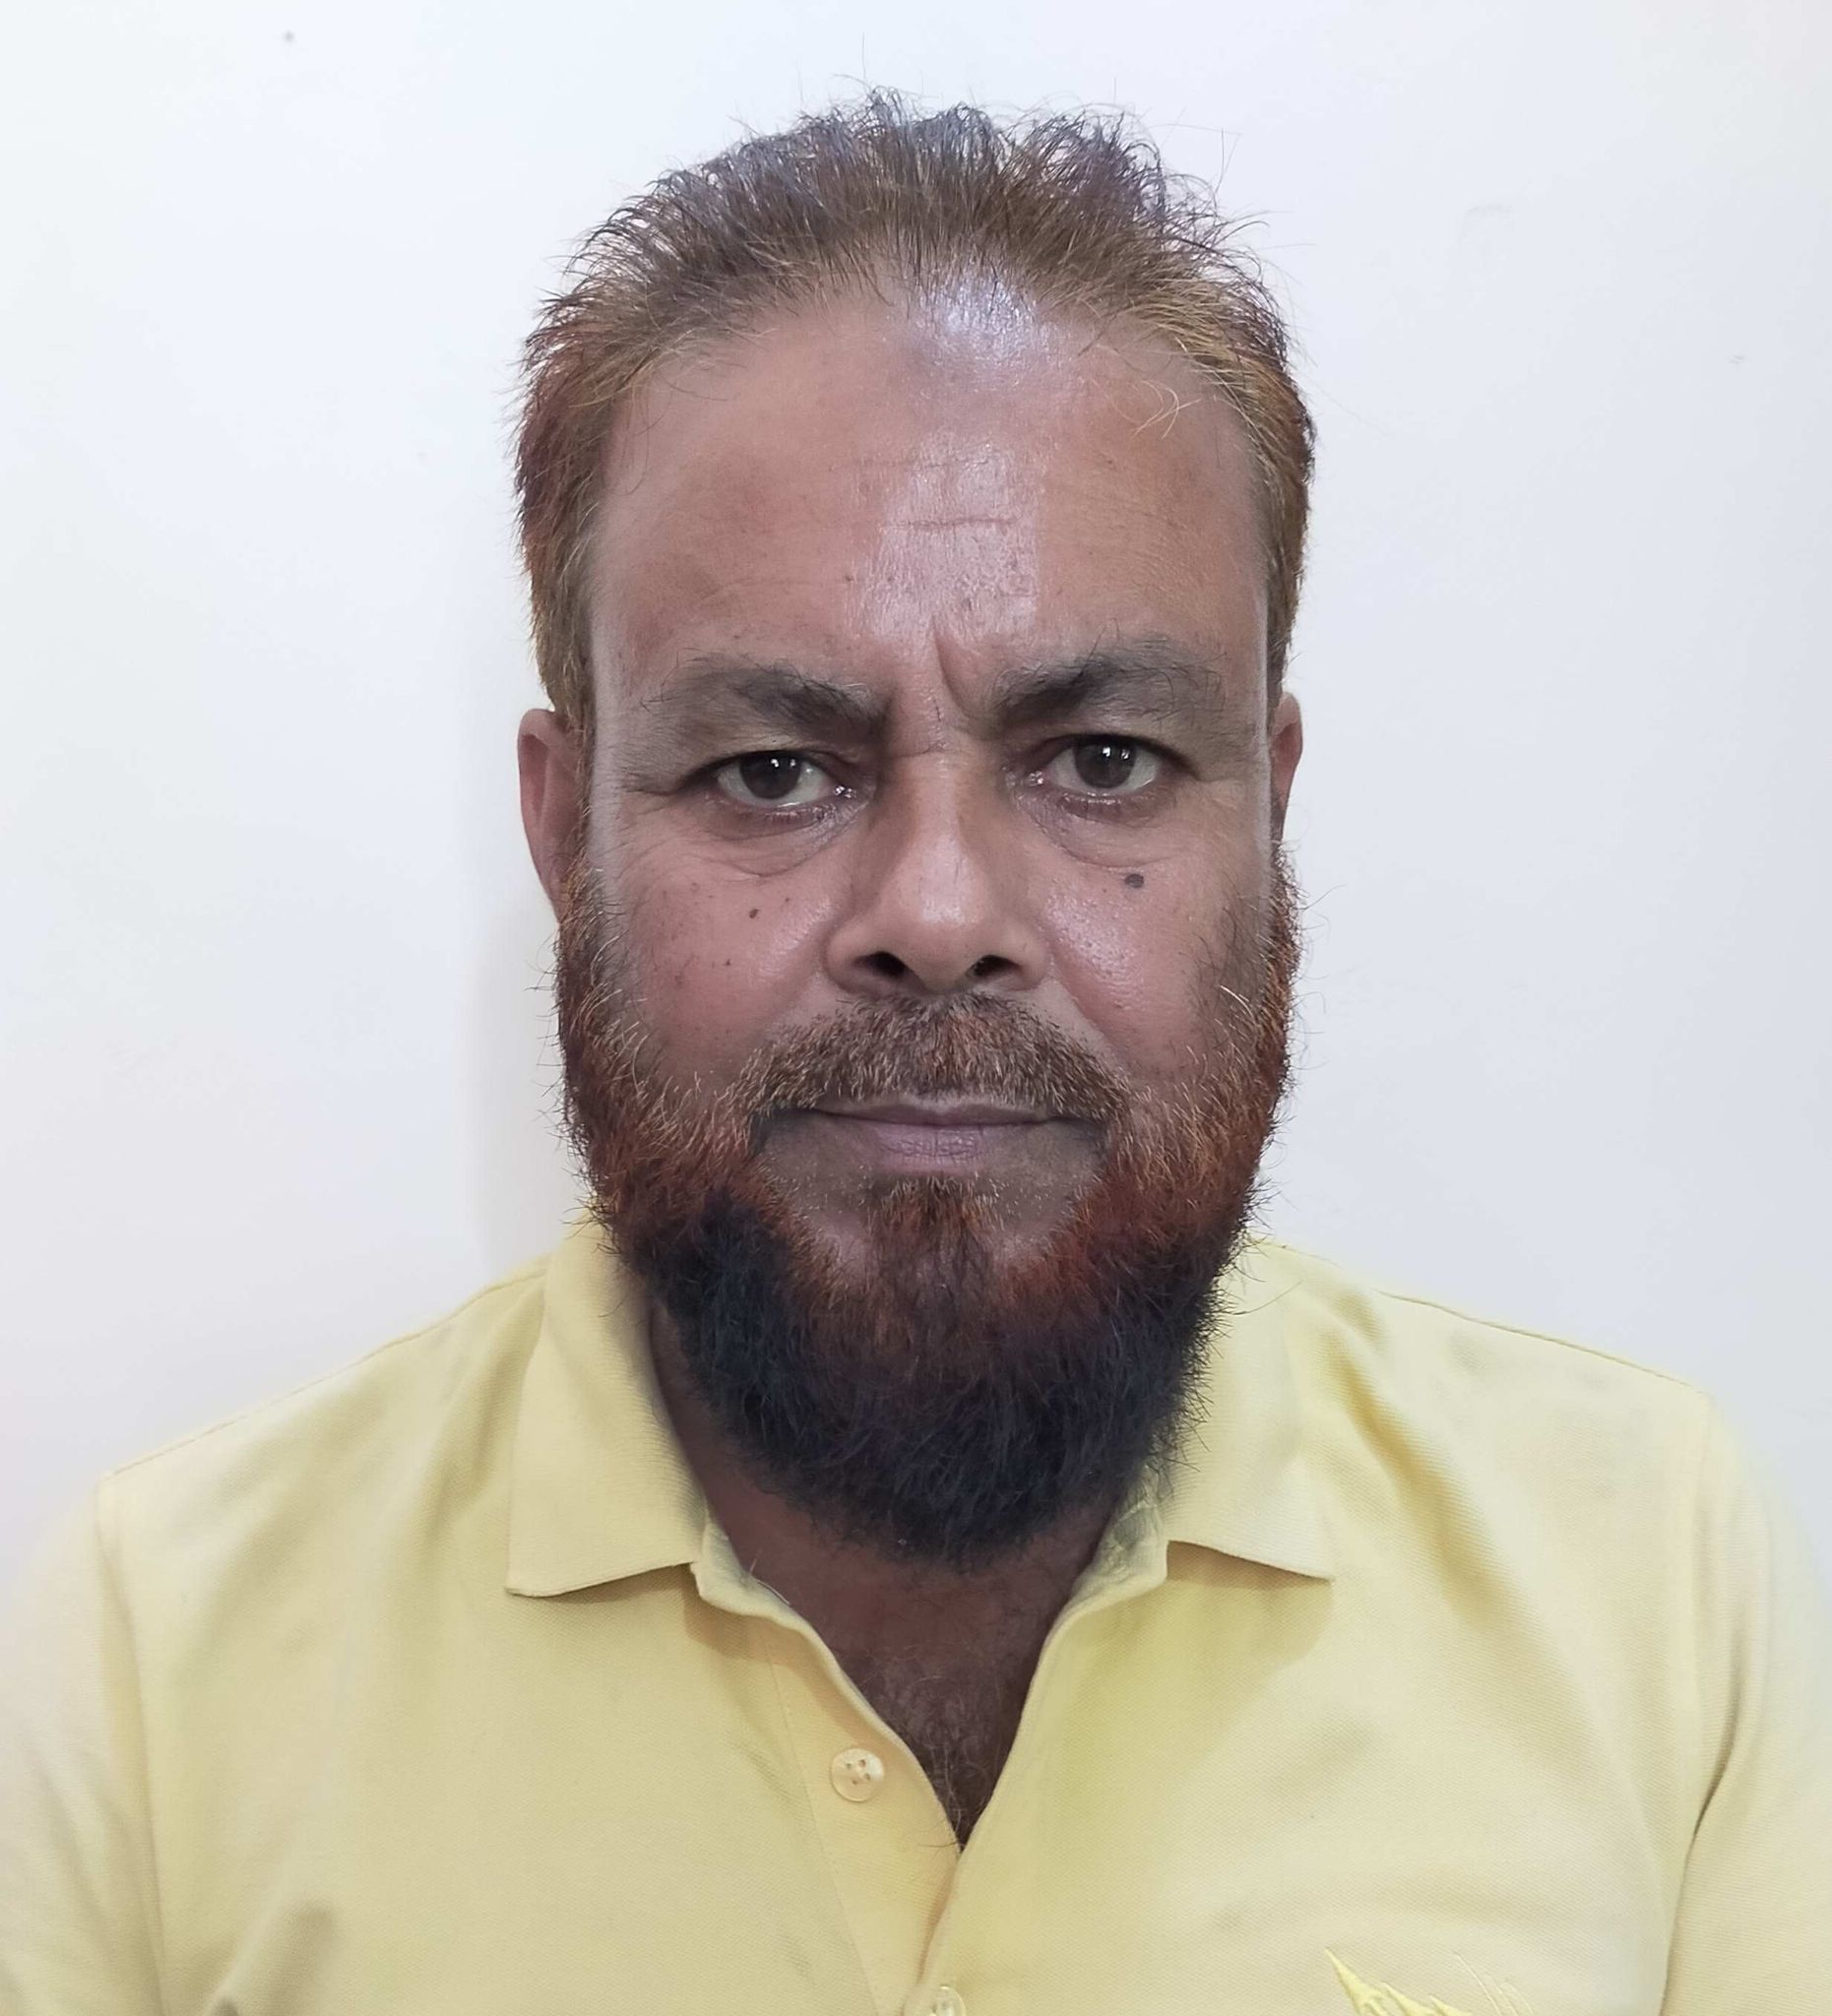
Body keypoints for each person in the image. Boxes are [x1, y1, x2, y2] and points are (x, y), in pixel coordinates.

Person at [3, 94, 1828, 2016]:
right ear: (561, 833)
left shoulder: (1646, 1577)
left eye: (1101, 758)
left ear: (1269, 803)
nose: (937, 911)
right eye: (768, 770)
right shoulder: (159, 1666)